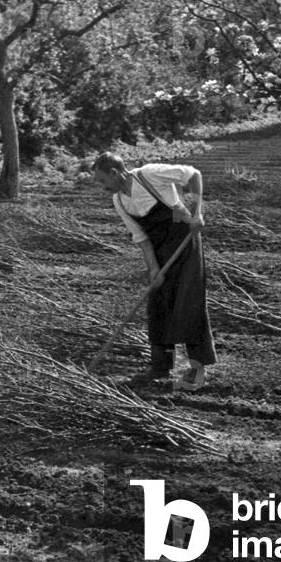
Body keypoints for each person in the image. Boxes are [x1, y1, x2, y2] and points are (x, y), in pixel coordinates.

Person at [93, 152, 216, 390]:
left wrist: (196, 212)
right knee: (158, 302)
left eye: (102, 180)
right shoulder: (119, 201)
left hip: (184, 239)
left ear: (115, 173)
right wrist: (154, 269)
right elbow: (142, 238)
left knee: (188, 300)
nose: (101, 186)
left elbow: (193, 175)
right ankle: (161, 366)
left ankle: (197, 369)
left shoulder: (149, 175)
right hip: (159, 248)